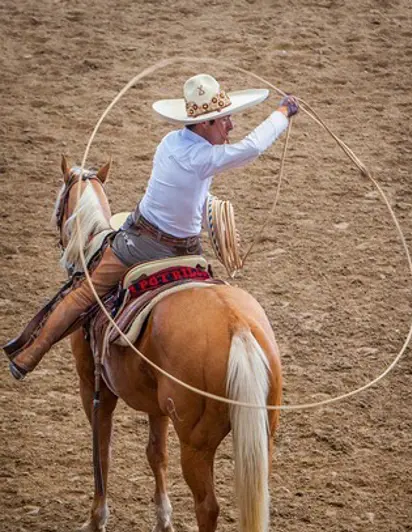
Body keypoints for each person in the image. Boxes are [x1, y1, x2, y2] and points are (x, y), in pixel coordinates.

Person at [7, 73, 299, 380]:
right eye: (224, 119)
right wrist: (282, 113)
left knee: (84, 293)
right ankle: (33, 353)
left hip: (143, 239)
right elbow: (251, 149)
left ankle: (29, 355)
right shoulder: (201, 156)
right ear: (204, 125)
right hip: (184, 247)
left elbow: (183, 189)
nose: (231, 126)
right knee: (86, 294)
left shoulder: (172, 143)